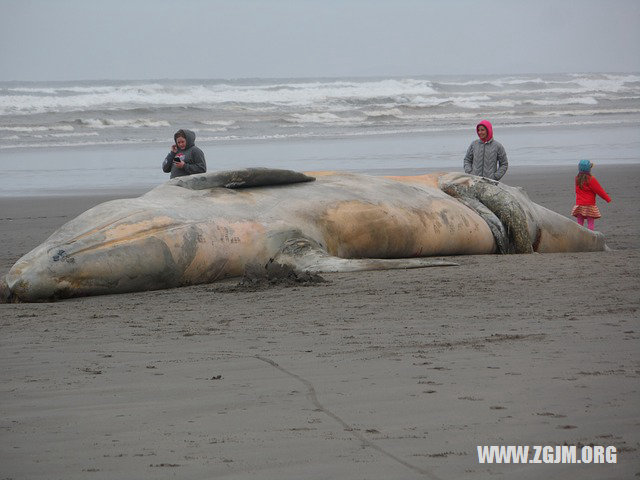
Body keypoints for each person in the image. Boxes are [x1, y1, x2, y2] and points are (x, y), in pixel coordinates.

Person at [571, 160, 611, 231]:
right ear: (589, 169)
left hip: (579, 204)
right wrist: (607, 199)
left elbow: (576, 191)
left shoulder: (577, 178)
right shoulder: (591, 179)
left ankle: (580, 235)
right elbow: (599, 190)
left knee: (580, 223)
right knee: (590, 223)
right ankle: (590, 236)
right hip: (589, 205)